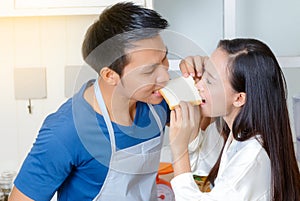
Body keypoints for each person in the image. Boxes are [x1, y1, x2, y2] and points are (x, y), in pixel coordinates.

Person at [9, 2, 171, 201]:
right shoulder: (66, 131)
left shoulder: (157, 101)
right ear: (110, 75)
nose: (165, 77)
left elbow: (206, 120)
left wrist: (200, 73)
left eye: (165, 58)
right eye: (149, 70)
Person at [169, 38, 300, 200]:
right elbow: (200, 174)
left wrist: (179, 151)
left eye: (209, 80)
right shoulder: (236, 134)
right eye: (204, 73)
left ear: (239, 98)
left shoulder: (251, 158)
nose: (198, 85)